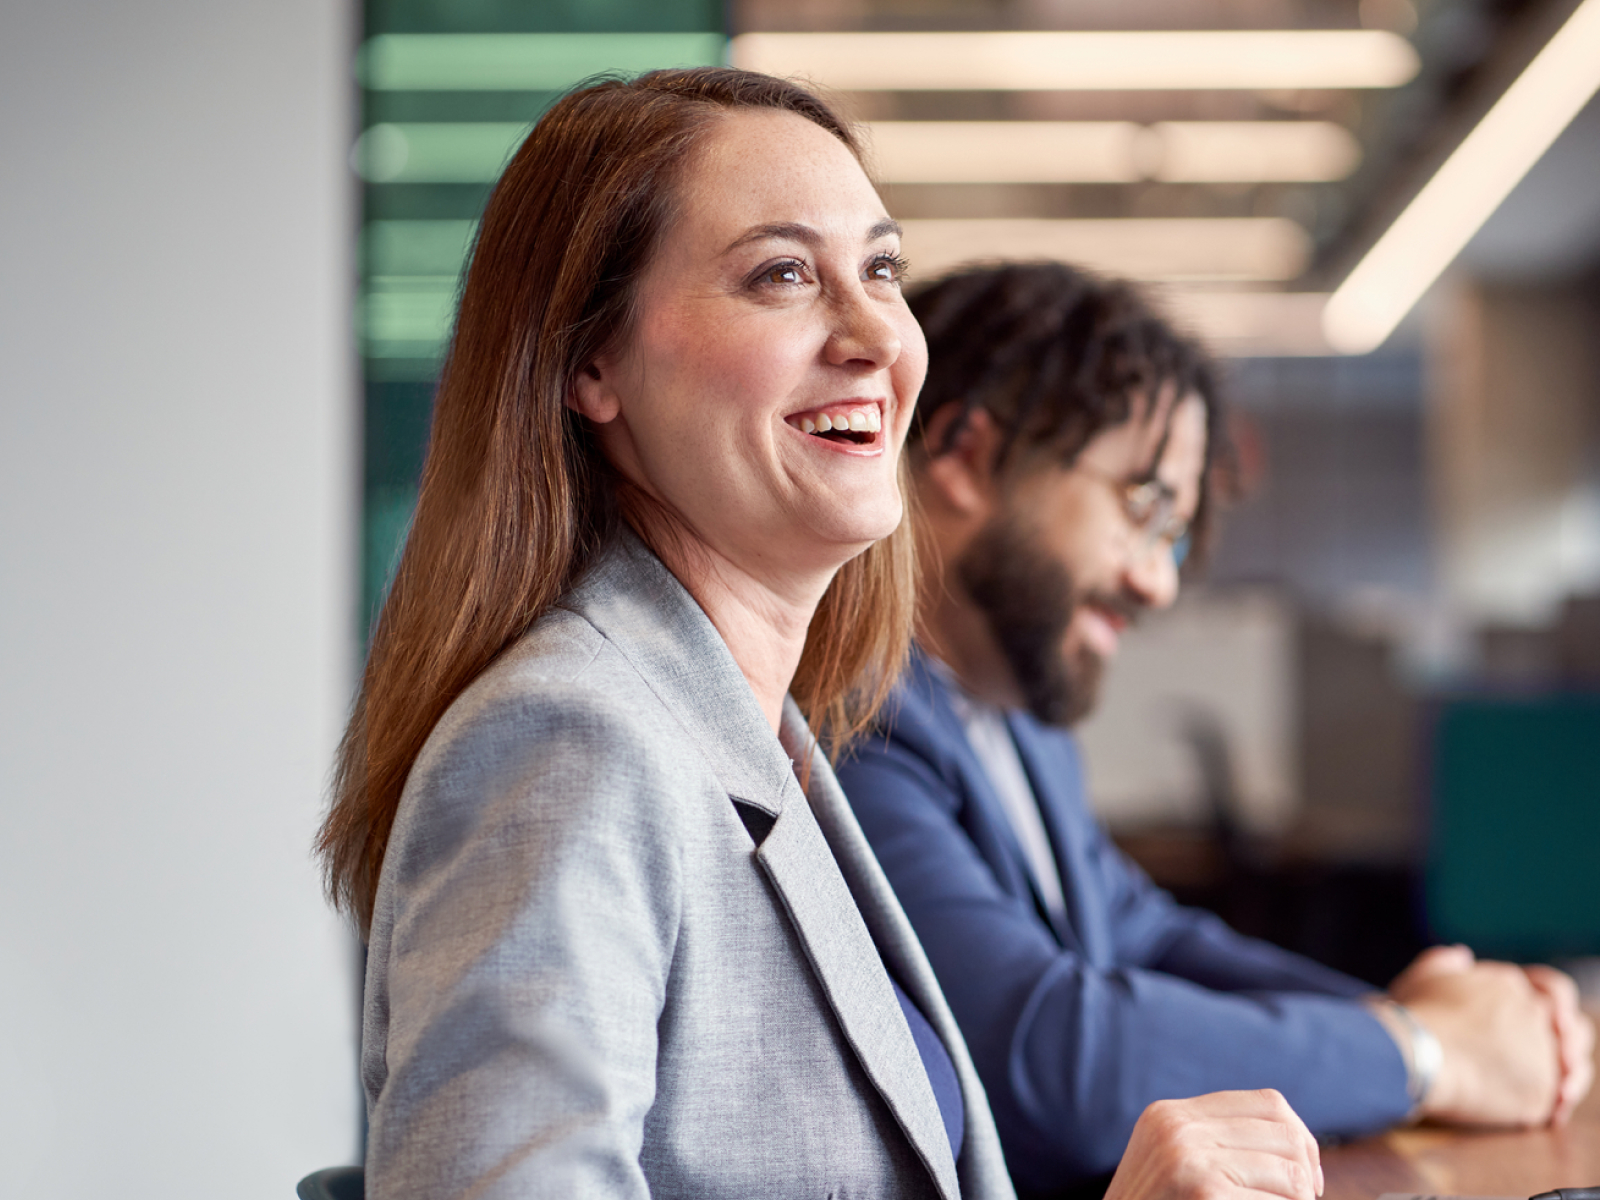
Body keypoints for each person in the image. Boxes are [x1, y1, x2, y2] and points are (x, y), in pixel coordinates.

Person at [315, 72, 1330, 1200]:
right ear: (588, 364)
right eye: (782, 274)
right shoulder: (567, 742)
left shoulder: (766, 737)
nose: (872, 336)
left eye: (881, 270)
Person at [835, 261, 1596, 1199]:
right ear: (964, 455)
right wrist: (1430, 1051)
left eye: (1176, 540)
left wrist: (1425, 1021)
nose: (1158, 583)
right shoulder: (852, 716)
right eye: (1144, 506)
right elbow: (1052, 1058)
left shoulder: (1006, 716)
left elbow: (1141, 935)